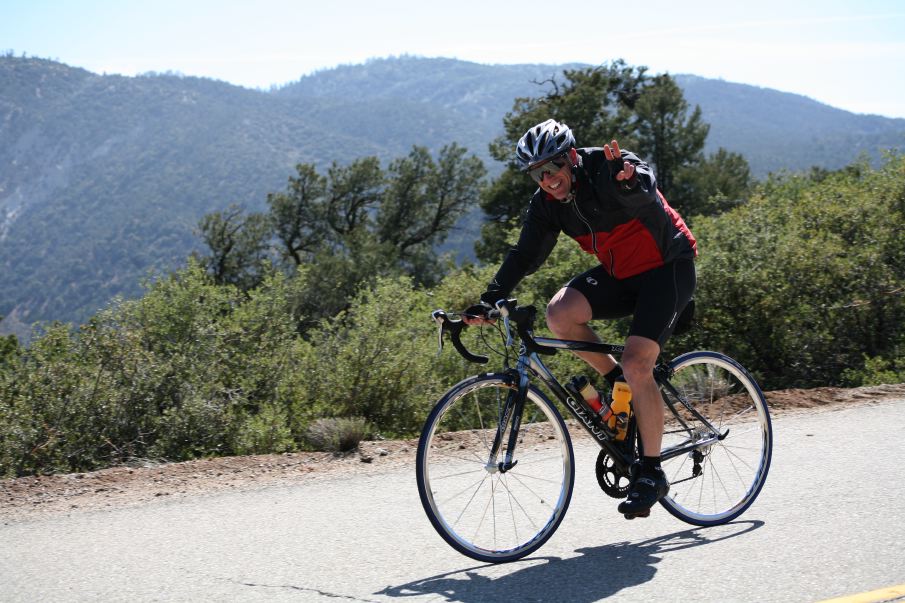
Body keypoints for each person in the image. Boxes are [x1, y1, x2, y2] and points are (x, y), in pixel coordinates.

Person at [463, 119, 697, 517]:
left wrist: (628, 181)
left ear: (571, 157)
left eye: (553, 168)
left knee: (638, 361)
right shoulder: (546, 204)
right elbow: (525, 254)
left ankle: (653, 473)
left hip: (667, 266)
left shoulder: (607, 167)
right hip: (622, 274)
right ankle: (617, 380)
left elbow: (643, 183)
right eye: (537, 174)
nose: (548, 179)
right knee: (560, 314)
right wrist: (491, 298)